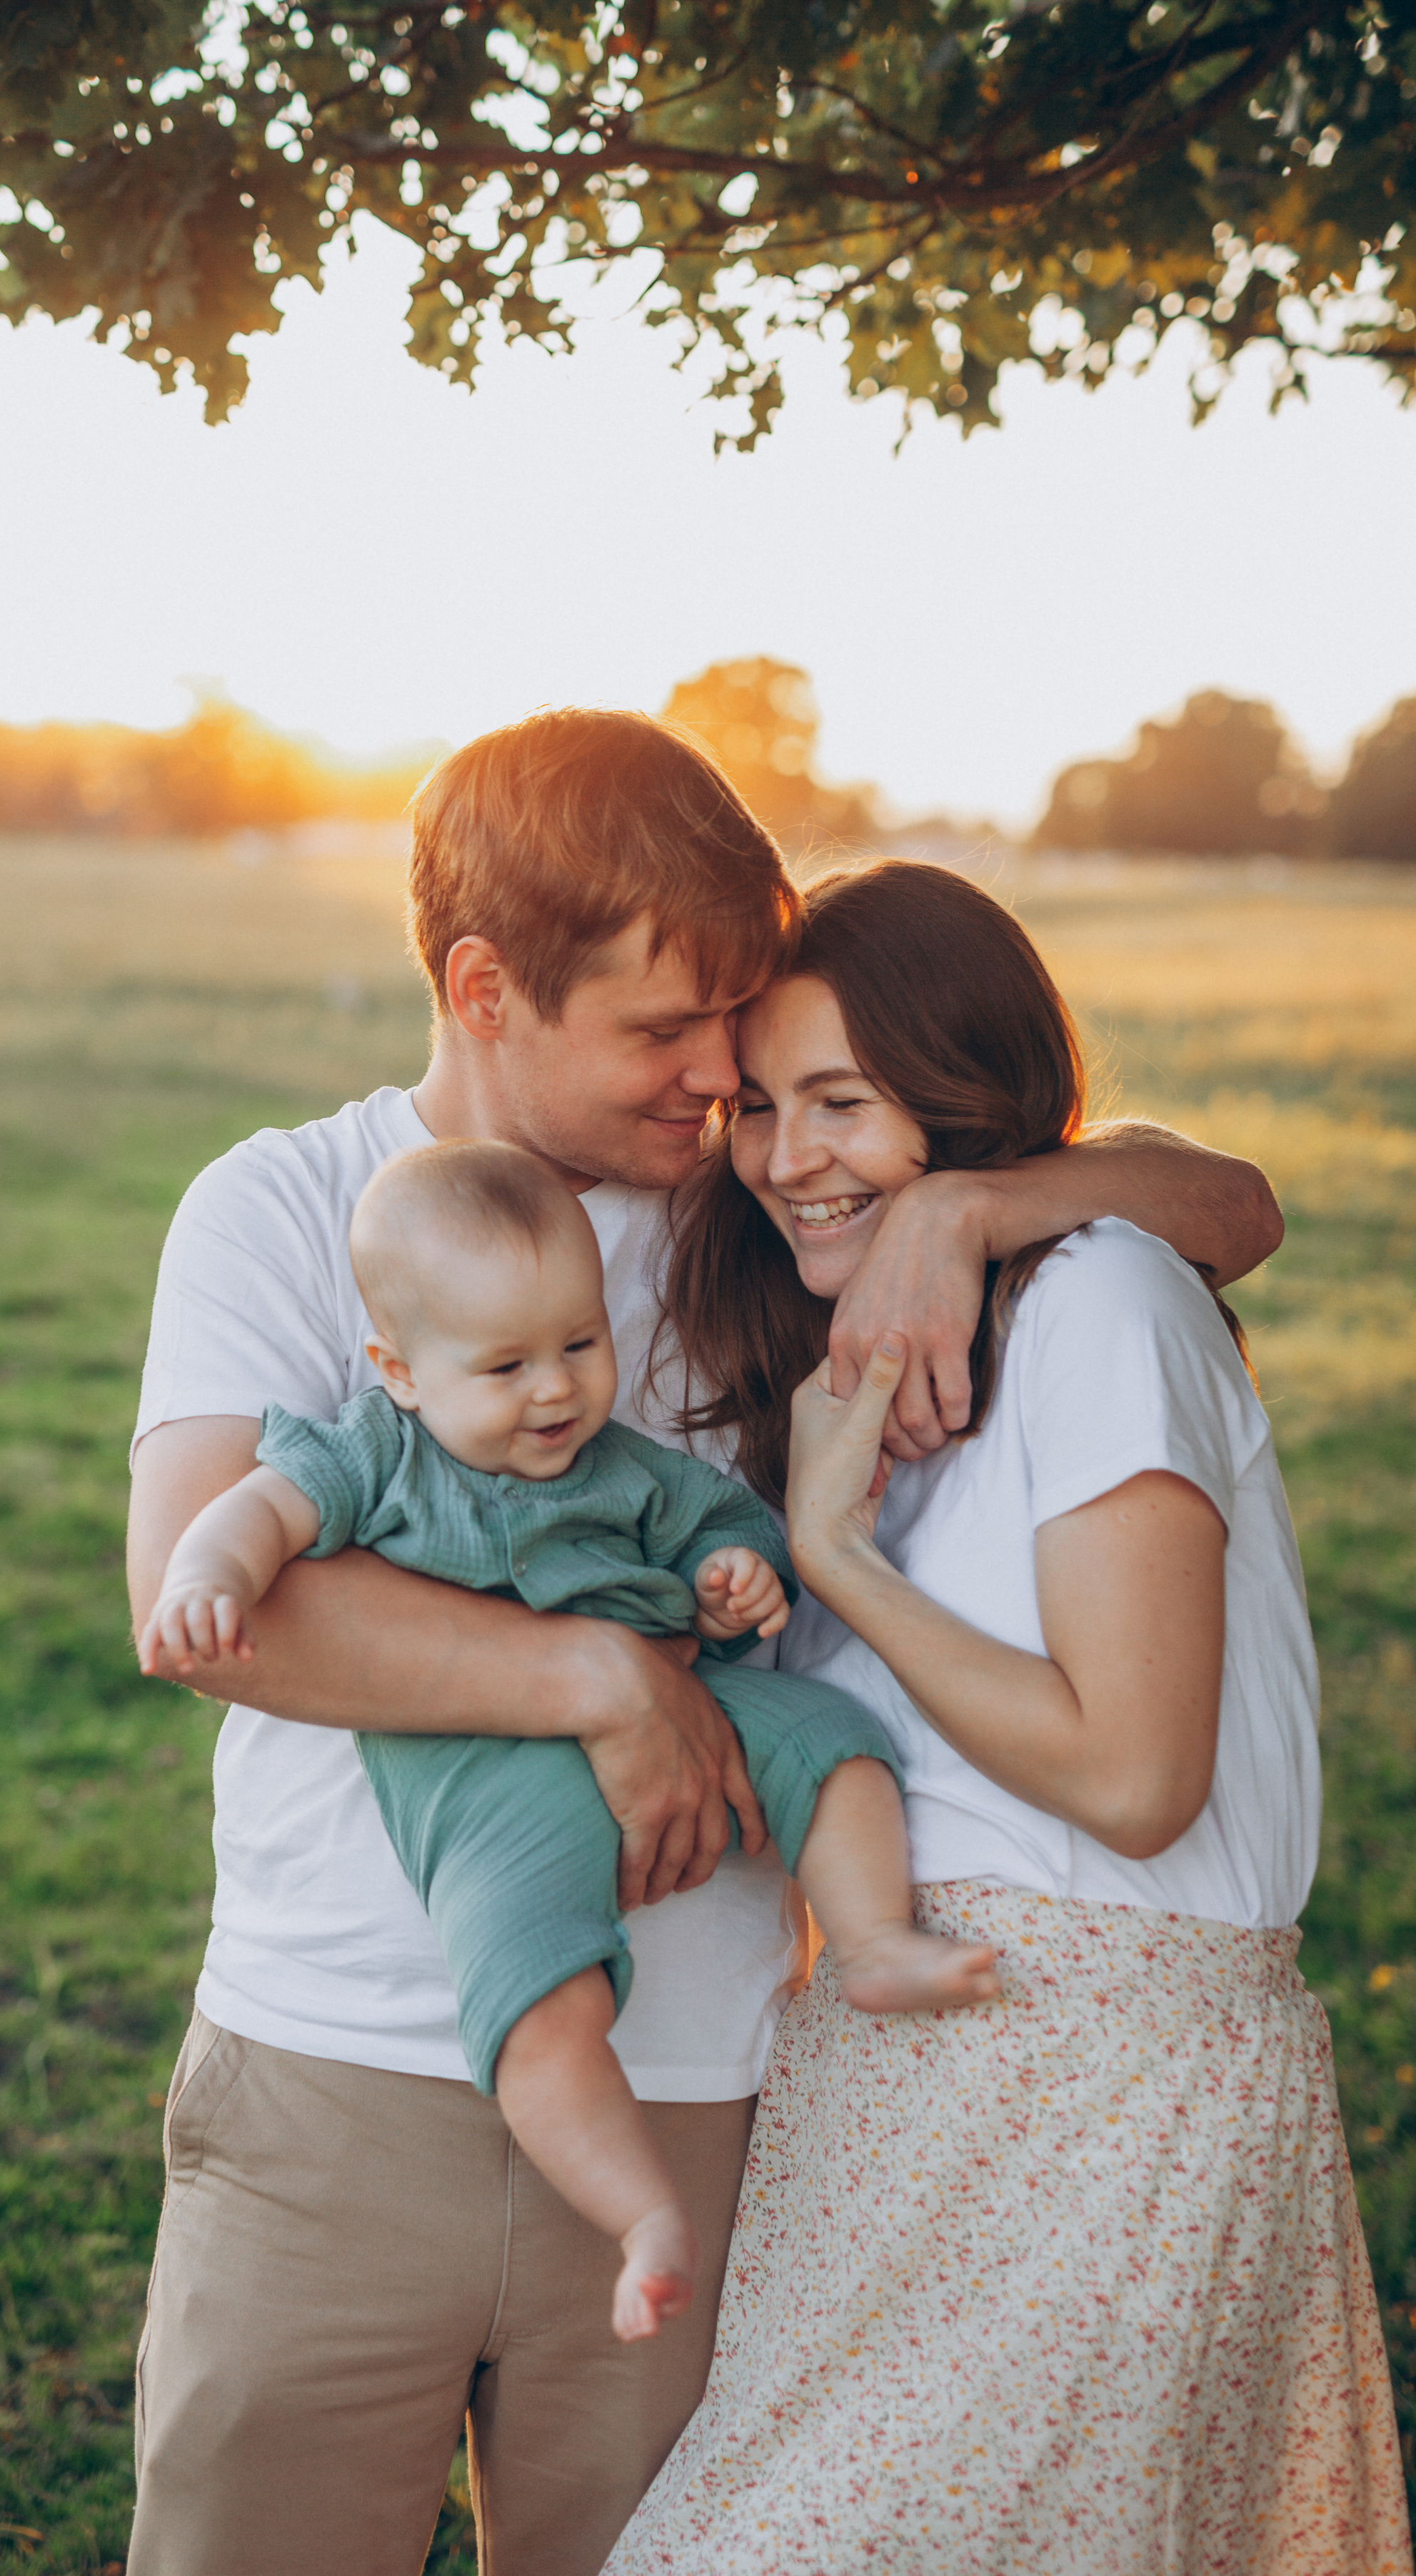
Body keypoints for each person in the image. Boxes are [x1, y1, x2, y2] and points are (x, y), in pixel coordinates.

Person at [123, 708, 1282, 2576]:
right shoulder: (285, 1208)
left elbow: (1229, 1207)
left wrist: (974, 1206)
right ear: (484, 991)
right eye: (666, 1030)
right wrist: (602, 1682)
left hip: (695, 2091)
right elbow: (208, 1603)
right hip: (341, 2069)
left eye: (732, 1020)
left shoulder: (757, 1206)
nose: (718, 1073)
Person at [610, 857, 1412, 2575]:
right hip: (884, 2109)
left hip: (1094, 2096)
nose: (786, 1157)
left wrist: (837, 1551)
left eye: (842, 1102)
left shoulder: (1098, 1297)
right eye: (758, 1108)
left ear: (960, 1098)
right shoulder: (861, 1363)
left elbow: (1131, 1776)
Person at [139, 1139, 997, 2345]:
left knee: (834, 1740)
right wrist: (207, 1580)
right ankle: (640, 2217)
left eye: (580, 1346)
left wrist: (729, 1579)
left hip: (681, 1711)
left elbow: (716, 1532)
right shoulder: (372, 1452)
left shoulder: (622, 1467)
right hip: (492, 1784)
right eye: (506, 1366)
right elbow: (255, 1514)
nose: (555, 1391)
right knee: (542, 2008)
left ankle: (872, 1943)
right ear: (400, 1371)